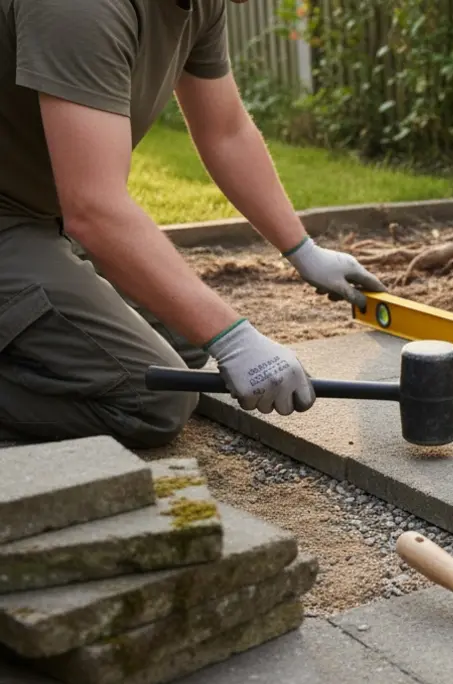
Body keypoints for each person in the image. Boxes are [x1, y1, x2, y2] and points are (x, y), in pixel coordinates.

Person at [0, 0, 387, 449]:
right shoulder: (83, 8)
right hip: (13, 219)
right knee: (154, 399)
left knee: (187, 348)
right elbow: (94, 209)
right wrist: (233, 337)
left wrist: (304, 251)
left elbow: (225, 131)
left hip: (41, 217)